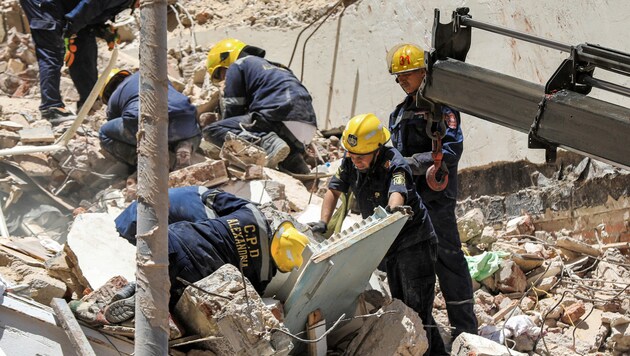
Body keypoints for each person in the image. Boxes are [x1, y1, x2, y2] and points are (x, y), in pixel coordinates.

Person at [309, 113, 446, 355]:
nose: (354, 160)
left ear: (377, 149)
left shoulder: (394, 164)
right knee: (403, 306)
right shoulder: (352, 158)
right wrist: (322, 222)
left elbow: (397, 192)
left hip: (415, 244)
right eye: (351, 154)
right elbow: (334, 189)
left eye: (360, 156)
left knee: (418, 310)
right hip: (389, 243)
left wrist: (393, 210)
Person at [107, 186, 310, 321]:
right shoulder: (264, 275)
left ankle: (137, 286)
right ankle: (150, 295)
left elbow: (211, 197)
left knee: (159, 265)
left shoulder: (253, 214)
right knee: (176, 294)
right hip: (193, 273)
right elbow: (244, 294)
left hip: (171, 239)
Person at [387, 43, 477, 339]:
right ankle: (421, 335)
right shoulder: (398, 114)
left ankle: (465, 330)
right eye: (399, 75)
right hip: (410, 202)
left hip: (436, 200)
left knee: (448, 259)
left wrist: (410, 163)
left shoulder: (442, 110)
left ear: (423, 72)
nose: (403, 80)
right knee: (411, 264)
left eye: (409, 73)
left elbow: (450, 152)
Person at [203, 38, 317, 174]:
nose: (223, 78)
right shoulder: (279, 67)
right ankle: (299, 168)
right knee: (283, 151)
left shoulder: (238, 65)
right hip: (307, 128)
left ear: (225, 60)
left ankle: (268, 142)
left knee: (213, 130)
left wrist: (226, 144)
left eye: (219, 73)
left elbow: (233, 109)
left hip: (277, 117)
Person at [19, 0, 138, 125]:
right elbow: (91, 3)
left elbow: (92, 9)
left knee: (84, 40)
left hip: (69, 7)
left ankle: (89, 103)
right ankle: (51, 107)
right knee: (52, 49)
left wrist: (99, 28)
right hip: (44, 3)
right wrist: (69, 28)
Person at [98, 69, 201, 170]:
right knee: (196, 129)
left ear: (106, 94)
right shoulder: (150, 73)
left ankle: (144, 160)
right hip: (184, 117)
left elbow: (115, 126)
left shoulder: (114, 96)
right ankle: (185, 145)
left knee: (104, 133)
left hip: (147, 124)